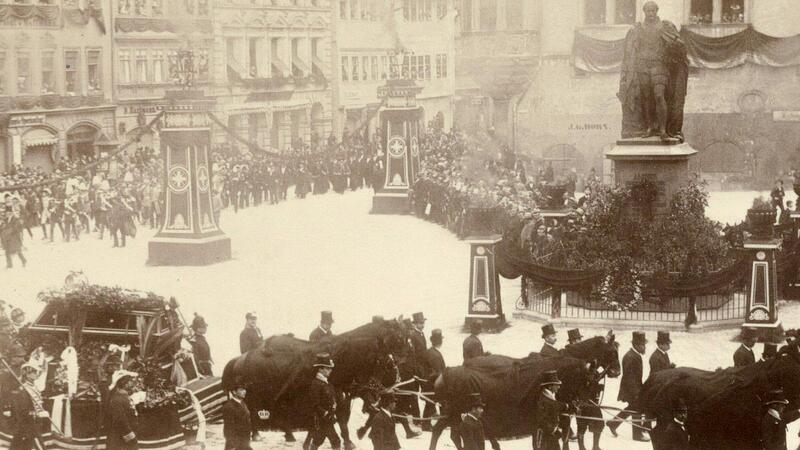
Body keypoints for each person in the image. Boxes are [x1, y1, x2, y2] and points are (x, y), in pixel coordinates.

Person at [607, 331, 650, 442]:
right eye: (642, 345)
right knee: (636, 409)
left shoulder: (635, 355)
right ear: (635, 345)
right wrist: (636, 393)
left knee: (632, 409)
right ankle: (637, 434)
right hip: (631, 389)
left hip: (634, 388)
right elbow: (630, 377)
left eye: (644, 344)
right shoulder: (631, 357)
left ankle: (612, 423)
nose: (644, 347)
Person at [8, 362, 48, 450]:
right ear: (27, 374)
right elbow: (22, 411)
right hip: (27, 424)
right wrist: (38, 414)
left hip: (33, 423)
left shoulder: (34, 387)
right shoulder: (23, 390)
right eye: (34, 372)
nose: (37, 374)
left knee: (23, 445)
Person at [309, 354, 341, 450]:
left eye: (330, 368)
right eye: (328, 368)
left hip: (328, 417)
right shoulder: (316, 384)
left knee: (319, 439)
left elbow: (331, 397)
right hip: (322, 419)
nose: (330, 371)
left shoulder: (326, 383)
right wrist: (325, 413)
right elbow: (314, 404)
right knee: (336, 440)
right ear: (320, 369)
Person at [106, 370, 140, 450]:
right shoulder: (117, 398)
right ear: (125, 383)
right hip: (120, 438)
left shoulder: (125, 396)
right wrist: (130, 436)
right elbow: (120, 420)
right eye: (130, 381)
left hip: (126, 437)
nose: (132, 383)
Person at [533, 370, 566, 450]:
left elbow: (556, 407)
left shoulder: (550, 397)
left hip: (551, 435)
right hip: (542, 436)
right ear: (550, 386)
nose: (559, 387)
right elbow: (540, 418)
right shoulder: (542, 399)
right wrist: (552, 429)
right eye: (557, 385)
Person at [423, 329, 446, 425]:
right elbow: (437, 371)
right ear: (440, 341)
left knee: (430, 403)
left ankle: (426, 423)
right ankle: (427, 424)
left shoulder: (430, 351)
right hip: (434, 383)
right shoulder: (436, 355)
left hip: (429, 382)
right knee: (433, 402)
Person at [222, 378, 252, 450]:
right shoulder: (229, 407)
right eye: (241, 390)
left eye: (244, 389)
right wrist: (232, 446)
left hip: (245, 442)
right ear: (234, 392)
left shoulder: (243, 404)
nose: (244, 391)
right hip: (235, 444)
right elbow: (228, 428)